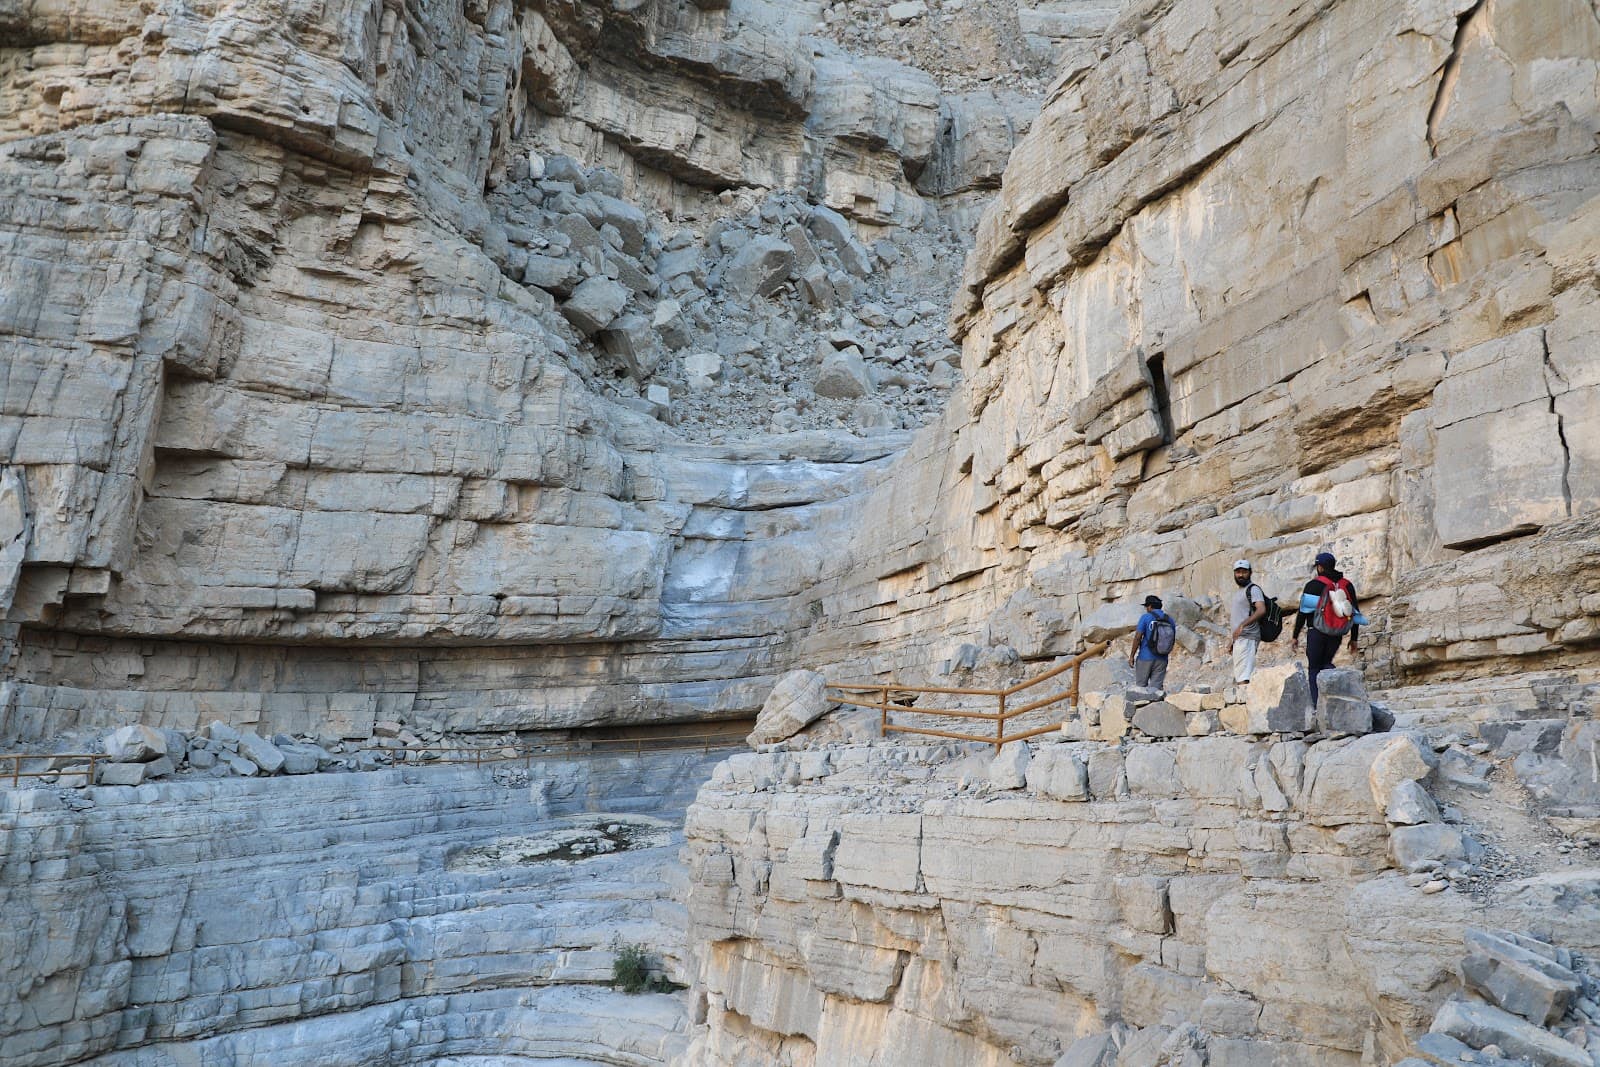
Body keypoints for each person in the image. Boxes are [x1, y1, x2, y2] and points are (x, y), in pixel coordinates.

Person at [1291, 551, 1360, 705]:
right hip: (1337, 633)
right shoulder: (1347, 585)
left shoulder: (1314, 585)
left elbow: (1303, 612)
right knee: (1327, 664)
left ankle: (1317, 705)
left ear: (1320, 567)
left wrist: (1295, 635)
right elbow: (1355, 613)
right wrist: (1354, 639)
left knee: (1314, 668)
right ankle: (1334, 700)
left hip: (1316, 632)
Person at [1227, 559, 1266, 684]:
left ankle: (1245, 702)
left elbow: (1261, 609)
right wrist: (1233, 640)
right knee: (1241, 673)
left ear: (1250, 572)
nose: (1240, 575)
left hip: (1248, 636)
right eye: (1238, 572)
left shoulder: (1253, 589)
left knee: (1244, 676)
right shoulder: (1239, 592)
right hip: (1240, 638)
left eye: (1244, 572)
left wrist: (1243, 625)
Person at [1128, 594, 1175, 691]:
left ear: (1150, 606)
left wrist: (1132, 655)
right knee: (1156, 691)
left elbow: (1137, 637)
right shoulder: (1170, 620)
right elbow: (1172, 639)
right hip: (1162, 659)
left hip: (1145, 657)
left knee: (1141, 689)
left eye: (1146, 606)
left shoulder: (1145, 617)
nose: (1146, 609)